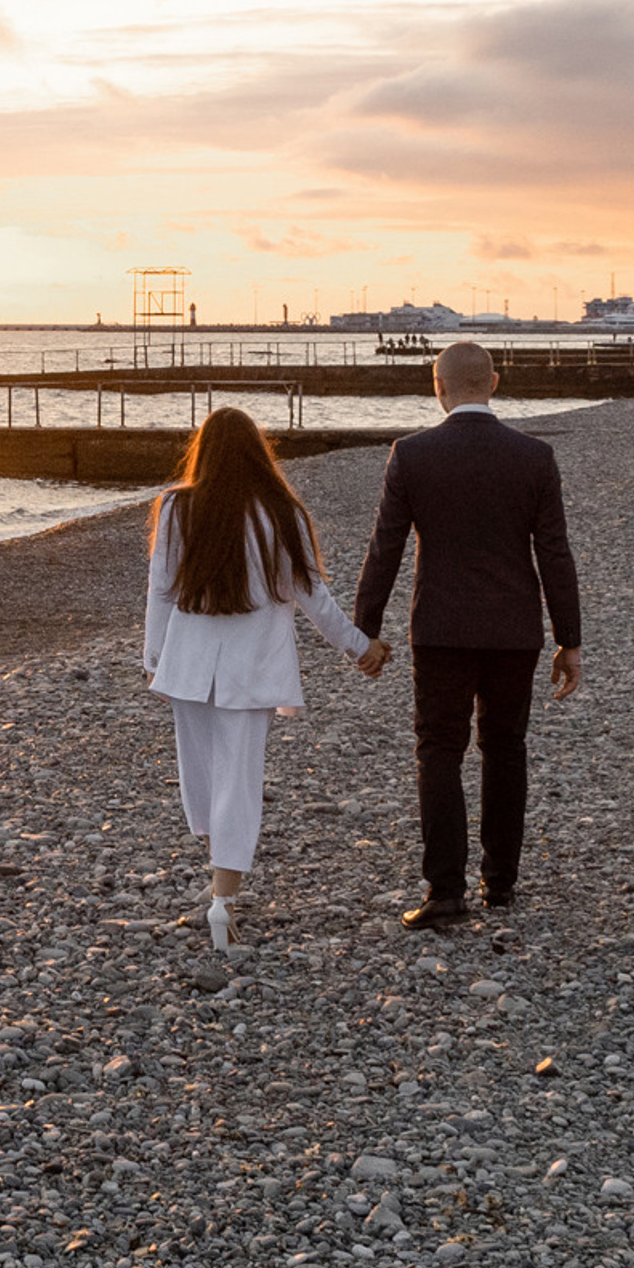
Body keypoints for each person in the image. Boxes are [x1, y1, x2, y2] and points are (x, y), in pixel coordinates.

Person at [351, 339, 583, 931]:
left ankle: (445, 891)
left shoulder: (412, 454)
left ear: (438, 387)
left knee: (440, 750)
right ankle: (500, 883)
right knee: (505, 748)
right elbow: (554, 553)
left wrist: (364, 632)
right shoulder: (534, 456)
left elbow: (386, 548)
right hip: (514, 629)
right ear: (495, 382)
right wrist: (569, 638)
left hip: (442, 629)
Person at [143, 406, 389, 951]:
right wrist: (359, 647)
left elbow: (160, 590)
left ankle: (218, 887)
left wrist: (154, 657)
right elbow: (312, 597)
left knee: (203, 778)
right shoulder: (280, 511)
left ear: (202, 451)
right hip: (249, 667)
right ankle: (221, 901)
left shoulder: (178, 506)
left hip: (188, 664)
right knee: (238, 780)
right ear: (259, 452)